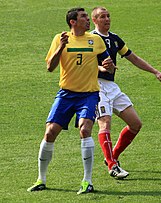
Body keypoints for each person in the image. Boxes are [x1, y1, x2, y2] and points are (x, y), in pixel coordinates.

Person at [27, 7, 116, 194]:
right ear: (73, 22)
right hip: (66, 94)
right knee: (50, 133)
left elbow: (109, 67)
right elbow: (50, 67)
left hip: (89, 94)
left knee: (85, 129)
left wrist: (109, 66)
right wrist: (61, 46)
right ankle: (41, 179)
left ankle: (87, 181)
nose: (87, 20)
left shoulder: (96, 40)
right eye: (83, 17)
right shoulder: (60, 38)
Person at [91, 7, 161, 179]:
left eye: (108, 16)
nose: (107, 19)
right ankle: (112, 166)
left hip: (112, 87)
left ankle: (112, 156)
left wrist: (155, 72)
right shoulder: (90, 40)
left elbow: (133, 58)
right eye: (102, 17)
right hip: (95, 86)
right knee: (104, 123)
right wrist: (100, 68)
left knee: (135, 124)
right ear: (94, 21)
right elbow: (82, 64)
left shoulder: (114, 39)